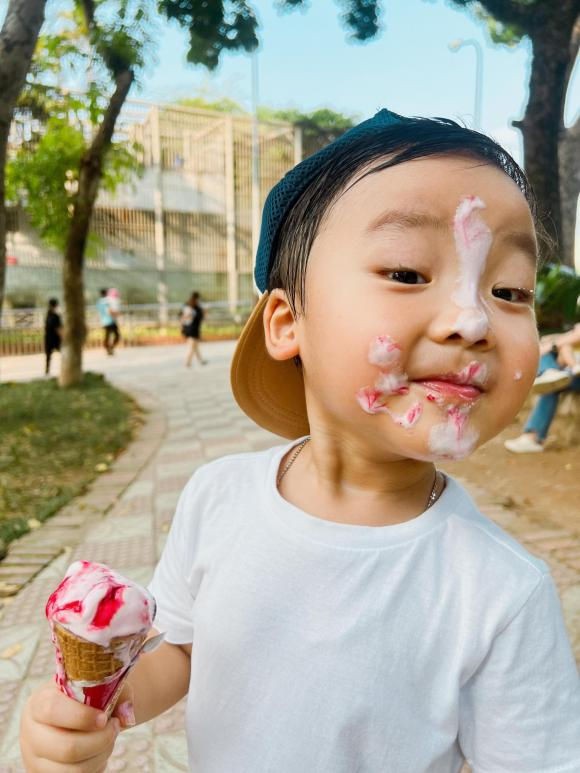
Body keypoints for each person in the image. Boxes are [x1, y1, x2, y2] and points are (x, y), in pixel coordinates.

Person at [20, 110, 580, 771]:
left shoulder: (501, 590)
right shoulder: (218, 497)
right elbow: (184, 648)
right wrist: (95, 710)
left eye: (510, 288)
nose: (472, 318)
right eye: (406, 271)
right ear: (287, 324)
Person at [505, 322, 580, 453]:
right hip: (571, 371)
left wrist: (553, 344)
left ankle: (533, 437)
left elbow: (574, 337)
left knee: (551, 375)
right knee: (553, 381)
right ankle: (550, 373)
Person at [180, 290, 207, 367]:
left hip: (187, 329)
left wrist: (182, 327)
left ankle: (201, 360)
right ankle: (187, 362)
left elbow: (181, 317)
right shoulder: (197, 308)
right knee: (192, 346)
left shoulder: (186, 305)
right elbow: (201, 318)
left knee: (195, 346)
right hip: (193, 329)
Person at [43, 298, 62, 376]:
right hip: (55, 338)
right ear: (56, 305)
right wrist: (63, 337)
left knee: (48, 355)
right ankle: (66, 368)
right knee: (64, 353)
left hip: (47, 337)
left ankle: (47, 370)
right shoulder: (56, 316)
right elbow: (58, 328)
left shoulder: (48, 315)